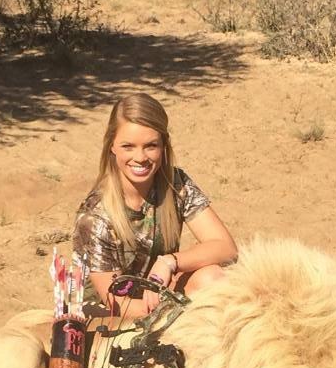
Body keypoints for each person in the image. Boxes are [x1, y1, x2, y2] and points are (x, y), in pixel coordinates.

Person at [72, 93, 237, 318]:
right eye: (128, 146)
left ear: (163, 145)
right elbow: (117, 304)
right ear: (112, 146)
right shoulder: (95, 216)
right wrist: (179, 310)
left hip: (158, 294)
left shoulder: (175, 183)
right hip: (108, 319)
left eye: (150, 146)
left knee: (213, 278)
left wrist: (170, 262)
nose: (140, 157)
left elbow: (225, 247)